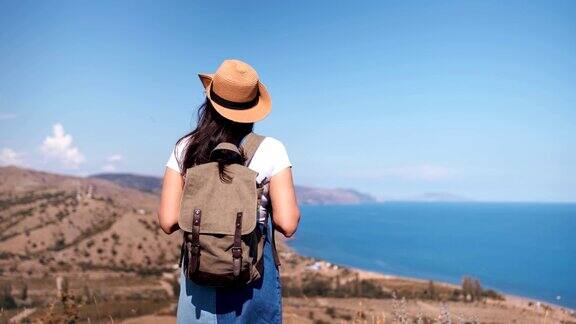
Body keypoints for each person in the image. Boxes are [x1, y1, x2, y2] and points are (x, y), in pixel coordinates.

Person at [157, 59, 300, 323]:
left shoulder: (185, 148)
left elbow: (167, 221)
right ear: (254, 109)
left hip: (200, 282)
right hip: (251, 282)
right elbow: (287, 224)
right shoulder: (271, 149)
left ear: (209, 102)